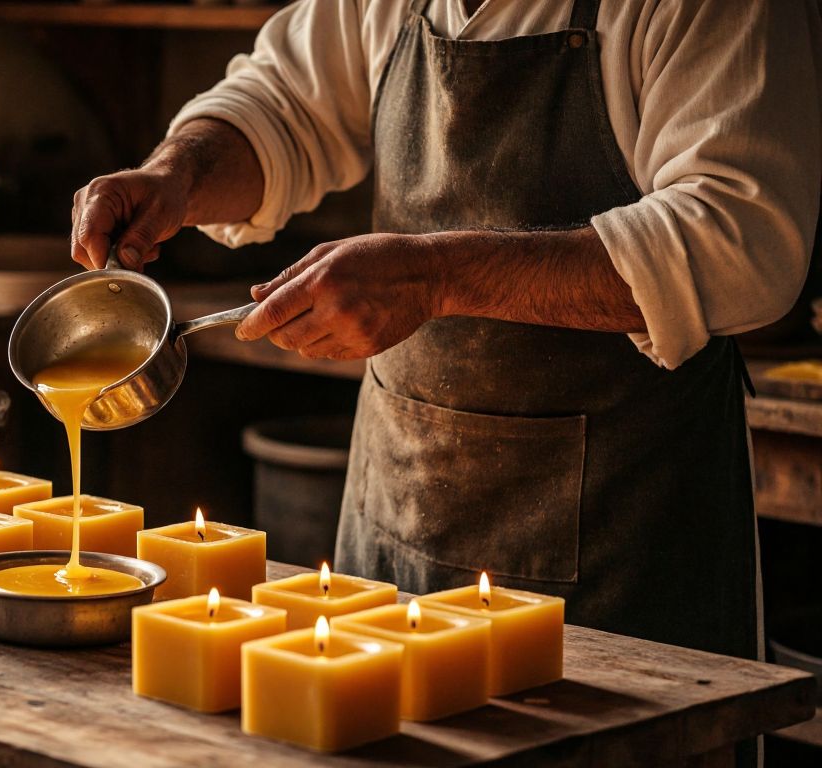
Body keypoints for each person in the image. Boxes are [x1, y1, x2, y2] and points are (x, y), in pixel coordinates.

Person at [70, 0, 822, 663]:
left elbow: (740, 242)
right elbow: (285, 98)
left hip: (627, 535)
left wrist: (437, 276)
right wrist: (178, 175)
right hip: (400, 502)